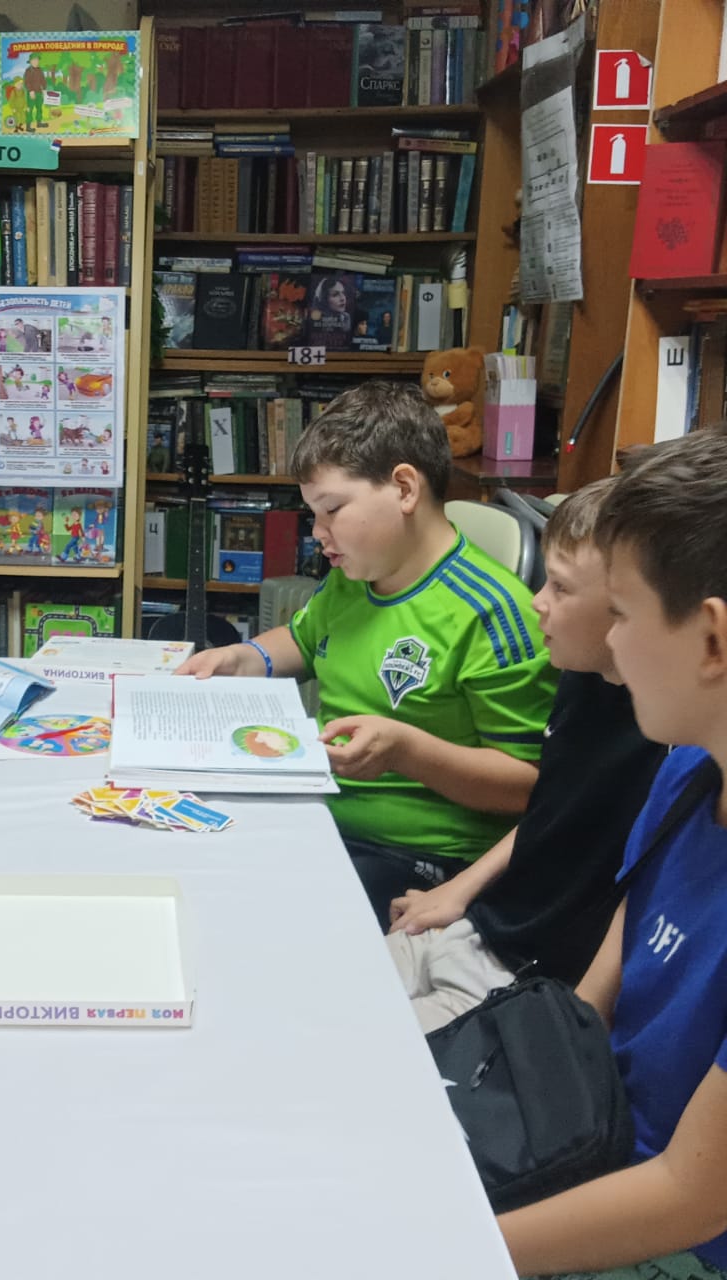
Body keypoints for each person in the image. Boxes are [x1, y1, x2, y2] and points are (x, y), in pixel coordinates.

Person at [178, 381, 556, 924]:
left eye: (331, 509)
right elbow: (305, 639)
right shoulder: (358, 574)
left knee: (252, 915)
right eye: (313, 513)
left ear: (404, 488)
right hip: (322, 812)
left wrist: (406, 751)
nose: (318, 533)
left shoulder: (493, 612)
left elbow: (529, 786)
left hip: (420, 856)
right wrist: (243, 658)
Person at [497, 431, 727, 1280]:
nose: (612, 650)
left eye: (622, 614)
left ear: (712, 641)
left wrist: (438, 1239)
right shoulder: (687, 773)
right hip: (598, 1143)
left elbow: (691, 1200)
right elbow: (600, 992)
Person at [384, 480, 665, 1032]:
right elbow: (552, 810)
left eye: (560, 587)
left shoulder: (665, 732)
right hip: (478, 927)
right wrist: (460, 890)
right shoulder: (582, 672)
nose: (537, 600)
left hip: (522, 979)